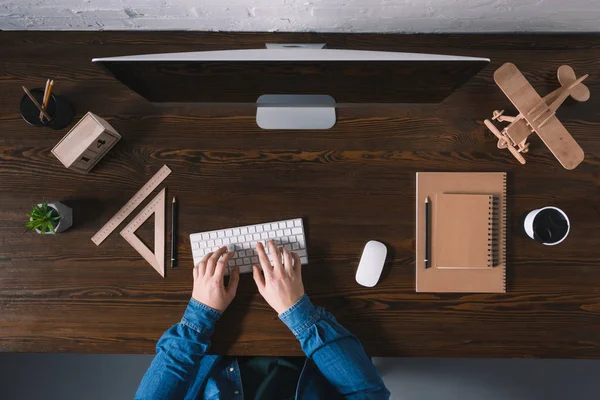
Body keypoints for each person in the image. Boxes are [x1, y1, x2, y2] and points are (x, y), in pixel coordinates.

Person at [135, 240, 390, 400]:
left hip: (220, 336)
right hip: (308, 348)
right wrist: (298, 312)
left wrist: (201, 313)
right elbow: (368, 394)